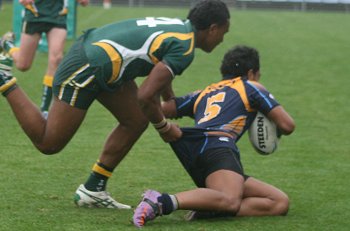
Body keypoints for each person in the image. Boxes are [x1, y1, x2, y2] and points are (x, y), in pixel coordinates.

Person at [0, 0, 230, 209]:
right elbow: (145, 96)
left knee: (136, 120)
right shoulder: (186, 48)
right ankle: (5, 80)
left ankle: (93, 188)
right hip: (89, 66)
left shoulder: (180, 29)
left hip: (103, 60)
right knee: (48, 142)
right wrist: (164, 127)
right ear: (212, 28)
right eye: (223, 32)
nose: (222, 39)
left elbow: (159, 69)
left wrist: (169, 99)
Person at [133, 45, 296, 227]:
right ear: (251, 73)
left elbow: (165, 108)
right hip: (218, 145)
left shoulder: (205, 92)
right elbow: (288, 125)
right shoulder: (251, 86)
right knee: (230, 199)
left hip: (194, 147)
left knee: (278, 202)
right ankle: (161, 201)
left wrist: (163, 84)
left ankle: (207, 208)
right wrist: (265, 114)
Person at [0, 0, 89, 118]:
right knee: (23, 65)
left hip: (58, 15)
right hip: (35, 14)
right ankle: (6, 43)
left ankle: (45, 110)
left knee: (56, 59)